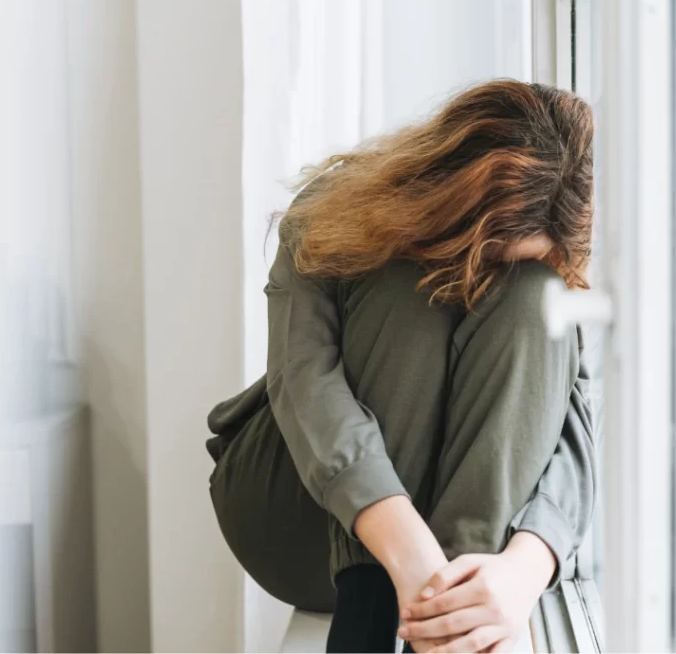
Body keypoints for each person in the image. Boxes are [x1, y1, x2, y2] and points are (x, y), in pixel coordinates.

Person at [206, 80, 599, 653]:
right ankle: (392, 609)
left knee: (536, 298)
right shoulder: (331, 205)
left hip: (456, 546)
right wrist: (410, 555)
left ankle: (455, 619)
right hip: (295, 510)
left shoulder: (548, 254)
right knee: (408, 282)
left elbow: (571, 422)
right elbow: (305, 382)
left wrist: (523, 568)